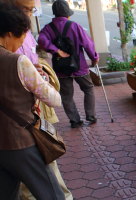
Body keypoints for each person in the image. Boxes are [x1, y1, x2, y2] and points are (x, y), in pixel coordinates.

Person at [0, 3, 82, 200]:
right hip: (21, 142)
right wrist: (42, 75)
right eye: (21, 36)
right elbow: (54, 99)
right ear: (9, 33)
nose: (23, 41)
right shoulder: (18, 62)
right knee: (53, 196)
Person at [13, 0, 91, 200]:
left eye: (31, 10)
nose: (30, 14)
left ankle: (29, 196)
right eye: (27, 9)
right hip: (32, 104)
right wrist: (92, 56)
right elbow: (50, 97)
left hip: (44, 90)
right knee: (47, 151)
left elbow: (40, 48)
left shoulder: (37, 30)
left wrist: (47, 60)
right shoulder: (13, 53)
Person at [38, 0, 99, 129]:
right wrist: (94, 58)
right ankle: (91, 116)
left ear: (54, 13)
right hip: (79, 66)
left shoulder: (48, 28)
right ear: (67, 13)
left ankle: (75, 121)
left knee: (66, 95)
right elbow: (88, 44)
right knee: (88, 89)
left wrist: (56, 50)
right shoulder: (75, 26)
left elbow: (41, 40)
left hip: (61, 68)